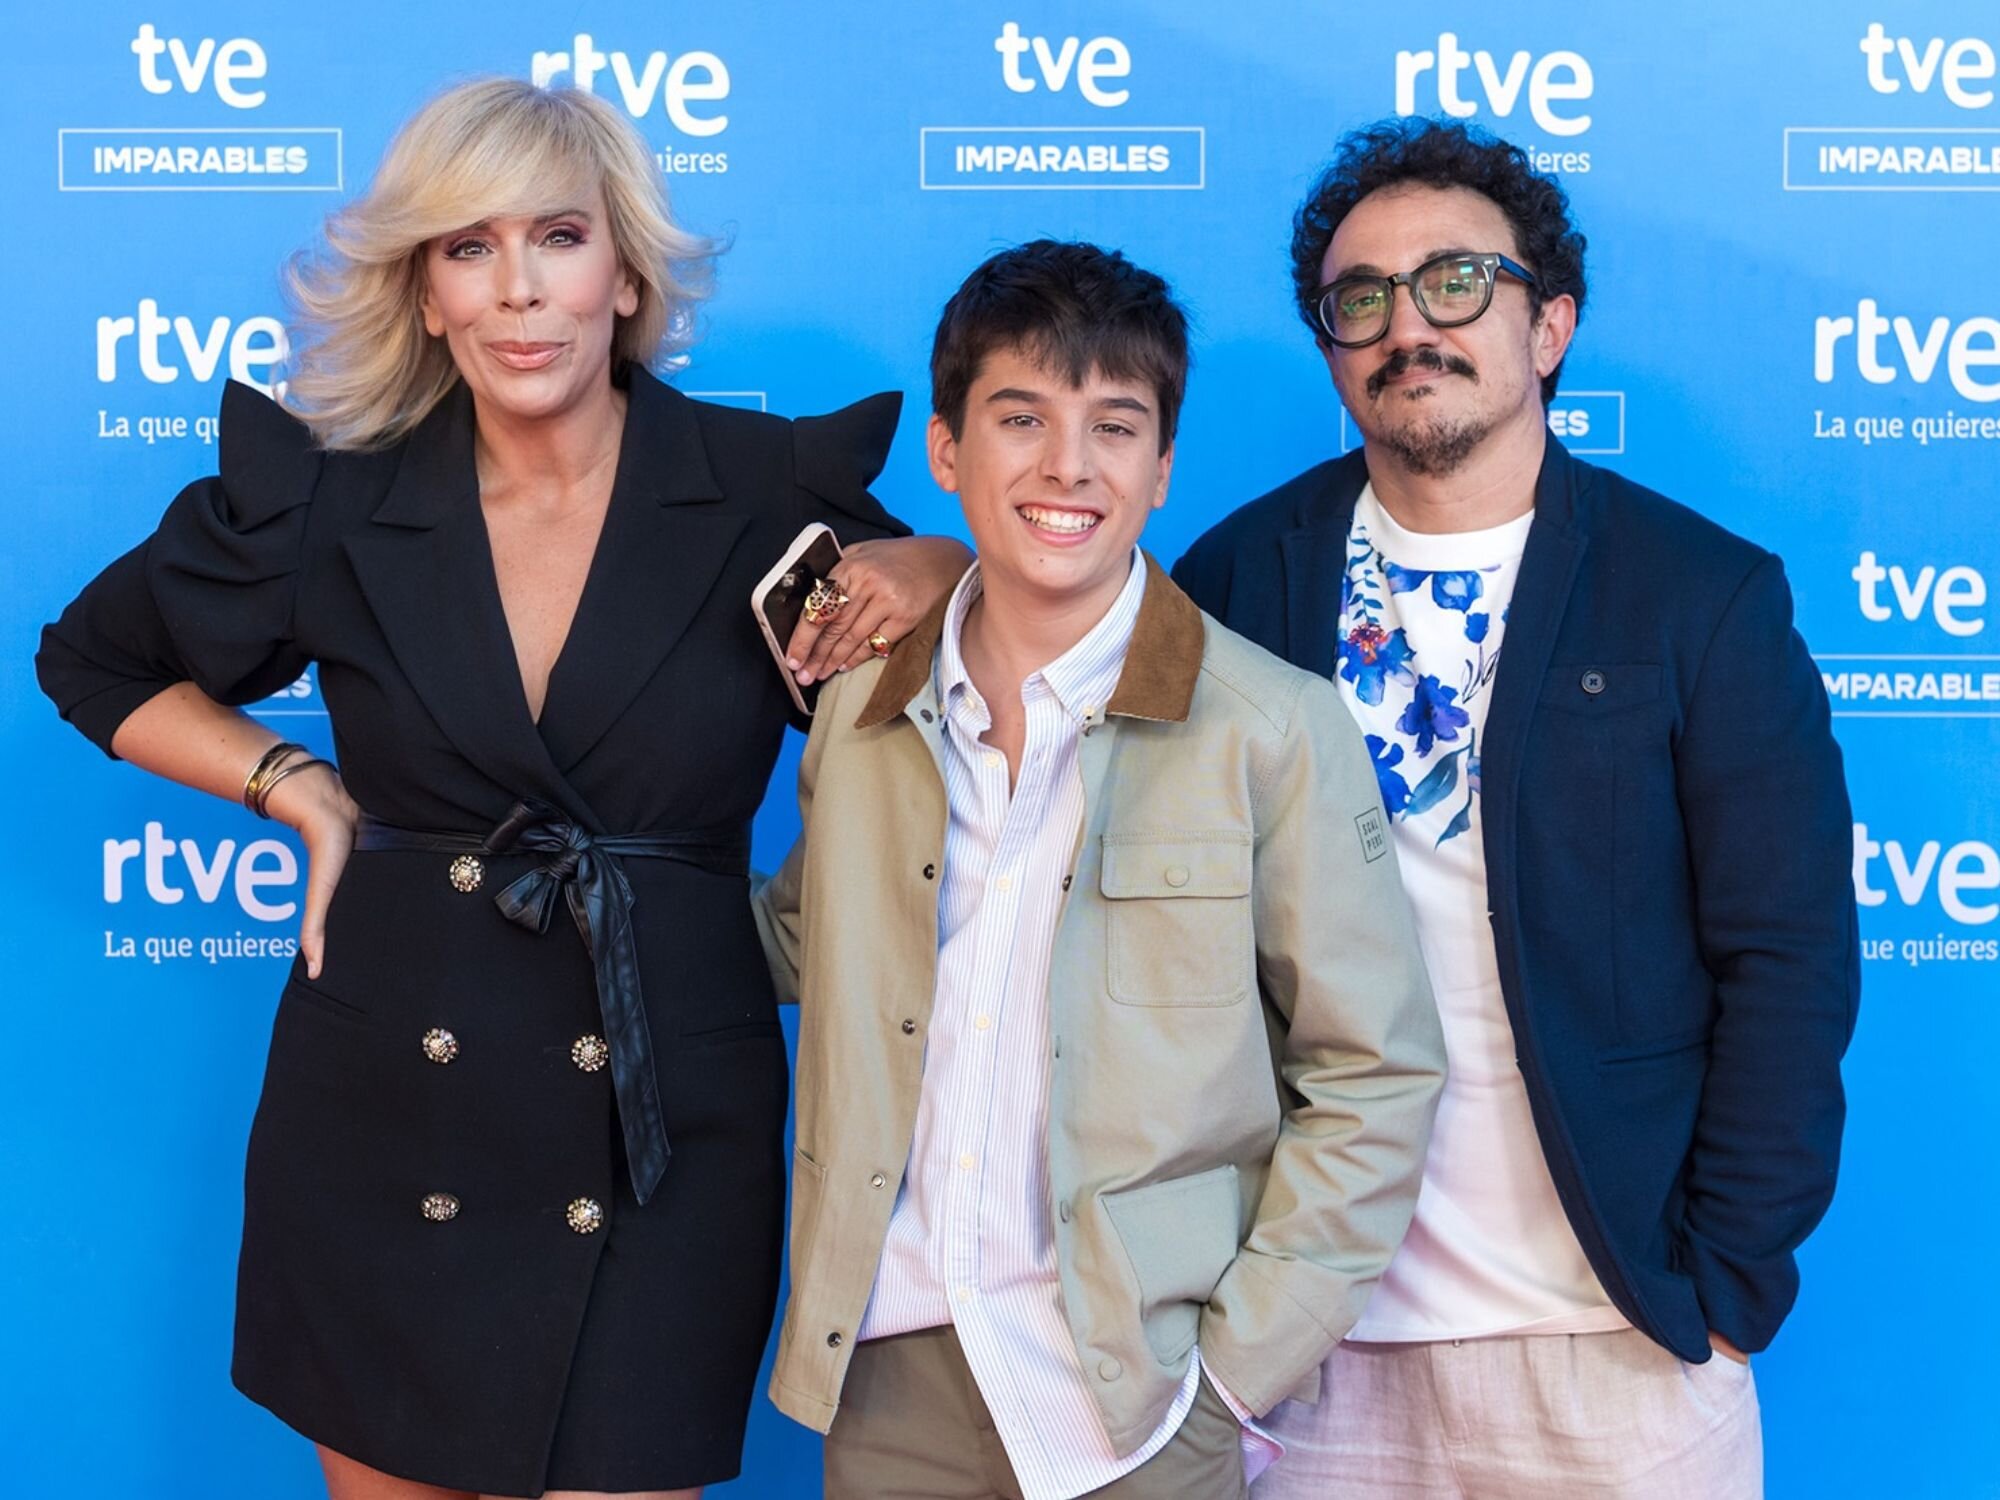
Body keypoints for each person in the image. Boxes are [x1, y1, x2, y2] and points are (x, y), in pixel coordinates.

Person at [35, 78, 967, 1500]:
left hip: (662, 1127)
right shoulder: (334, 502)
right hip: (382, 1118)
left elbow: (1016, 637)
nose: (520, 292)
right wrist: (296, 783)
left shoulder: (763, 489)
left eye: (559, 238)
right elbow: (93, 659)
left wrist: (939, 564)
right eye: (468, 250)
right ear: (423, 293)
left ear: (628, 271)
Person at [1173, 118, 1859, 1499]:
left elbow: (1789, 962)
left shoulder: (1699, 596)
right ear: (1331, 346)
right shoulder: (1239, 581)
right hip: (1315, 1351)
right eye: (1360, 299)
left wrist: (1721, 1292)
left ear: (1549, 324)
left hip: (1615, 1345)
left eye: (1456, 283)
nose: (1406, 325)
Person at [750, 239, 1445, 1500]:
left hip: (1138, 1398)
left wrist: (1234, 1372)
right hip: (894, 1372)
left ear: (1162, 466)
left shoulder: (1270, 728)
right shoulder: (856, 716)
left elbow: (1373, 1070)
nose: (1068, 466)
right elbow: (802, 938)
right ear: (947, 453)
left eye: (1113, 427)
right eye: (1021, 418)